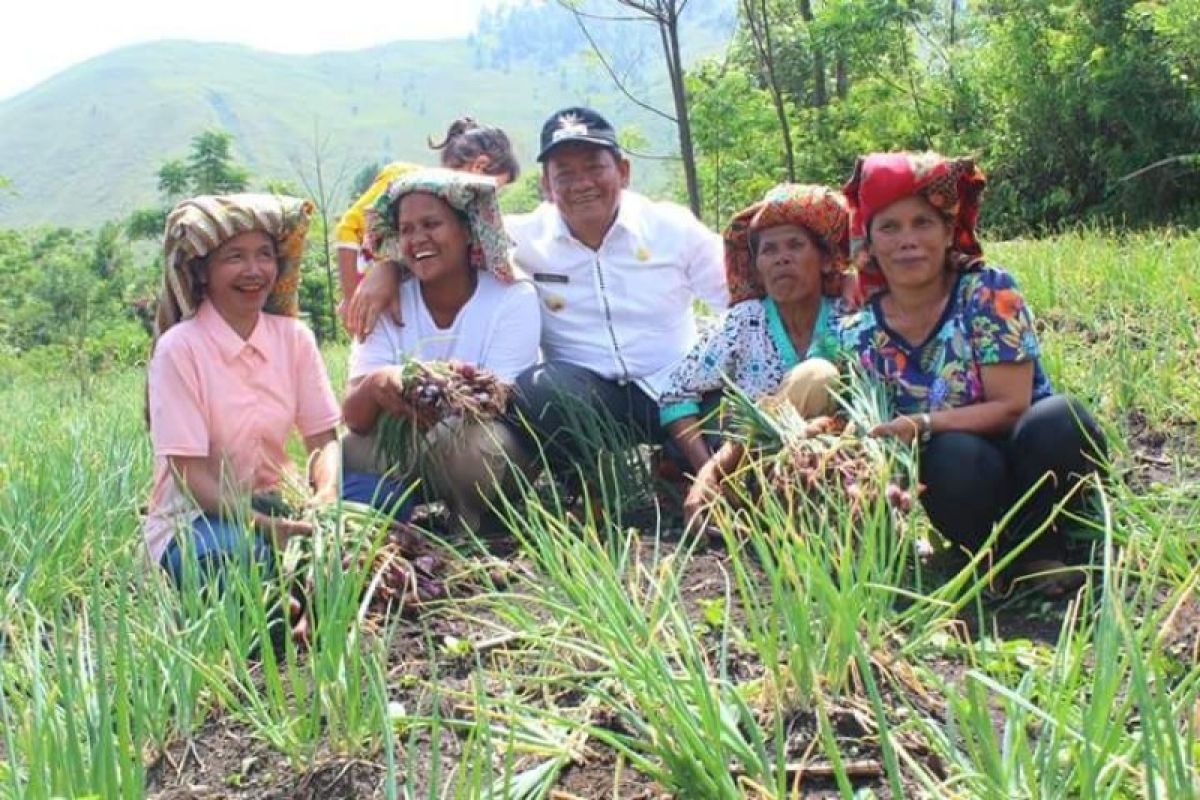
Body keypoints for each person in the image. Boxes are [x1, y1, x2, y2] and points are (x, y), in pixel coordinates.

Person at [837, 151, 1107, 591]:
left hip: (1030, 455)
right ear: (869, 243)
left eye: (922, 223)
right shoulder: (859, 333)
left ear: (948, 232)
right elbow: (872, 432)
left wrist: (921, 423)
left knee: (1061, 419)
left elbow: (1011, 406)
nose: (908, 240)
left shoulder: (988, 291)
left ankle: (1044, 547)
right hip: (963, 478)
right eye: (889, 227)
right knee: (949, 456)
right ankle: (993, 557)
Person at [506, 106, 726, 472]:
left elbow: (738, 294)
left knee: (733, 408)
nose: (581, 184)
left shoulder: (672, 227)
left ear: (623, 171)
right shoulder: (522, 238)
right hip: (588, 398)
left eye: (594, 167)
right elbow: (443, 232)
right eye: (565, 174)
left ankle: (676, 468)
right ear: (545, 185)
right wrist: (387, 267)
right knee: (537, 390)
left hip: (680, 389)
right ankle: (592, 484)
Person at [146, 194, 341, 590]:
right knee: (238, 564)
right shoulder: (180, 349)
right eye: (234, 257)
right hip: (199, 518)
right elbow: (191, 476)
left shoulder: (295, 339)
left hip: (280, 504)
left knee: (358, 547)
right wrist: (265, 527)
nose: (254, 271)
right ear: (203, 272)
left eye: (265, 255)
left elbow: (324, 439)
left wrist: (326, 494)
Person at [340, 169, 541, 535]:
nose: (418, 239)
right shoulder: (386, 299)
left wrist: (432, 382)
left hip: (474, 444)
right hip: (410, 445)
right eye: (407, 230)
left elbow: (497, 400)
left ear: (466, 231)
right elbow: (354, 418)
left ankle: (473, 521)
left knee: (477, 450)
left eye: (432, 224)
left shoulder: (511, 297)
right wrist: (375, 385)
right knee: (347, 452)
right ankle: (395, 512)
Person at [654, 184, 850, 527]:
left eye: (795, 245)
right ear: (757, 267)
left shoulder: (848, 316)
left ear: (823, 260)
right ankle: (736, 496)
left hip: (833, 458)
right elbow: (675, 394)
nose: (781, 257)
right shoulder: (745, 322)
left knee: (818, 376)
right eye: (769, 250)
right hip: (749, 463)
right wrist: (707, 471)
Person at [336, 117, 520, 337]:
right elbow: (347, 229)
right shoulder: (403, 179)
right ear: (479, 167)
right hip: (378, 299)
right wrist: (351, 299)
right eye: (496, 189)